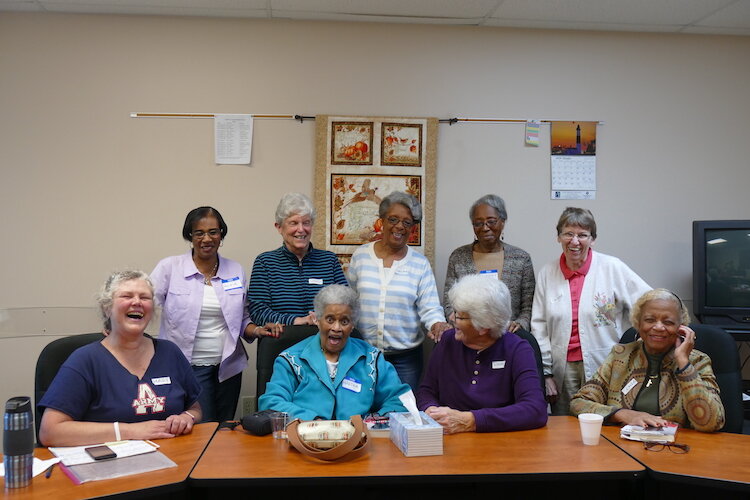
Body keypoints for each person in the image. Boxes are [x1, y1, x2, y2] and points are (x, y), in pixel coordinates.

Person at [38, 270, 202, 446]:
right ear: (107, 307)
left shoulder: (170, 353)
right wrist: (131, 431)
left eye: (144, 297)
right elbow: (50, 432)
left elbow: (195, 408)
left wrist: (187, 417)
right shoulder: (85, 360)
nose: (137, 302)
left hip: (175, 459)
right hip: (109, 465)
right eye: (127, 296)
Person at [150, 207, 271, 422]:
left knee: (224, 430)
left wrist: (258, 330)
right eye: (199, 233)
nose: (207, 238)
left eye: (213, 232)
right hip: (189, 367)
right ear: (190, 236)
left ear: (221, 234)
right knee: (202, 430)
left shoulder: (235, 270)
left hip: (228, 368)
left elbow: (241, 318)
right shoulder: (170, 268)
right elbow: (145, 303)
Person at [531, 207, 651, 415]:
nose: (575, 241)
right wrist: (546, 372)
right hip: (563, 368)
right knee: (566, 427)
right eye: (568, 233)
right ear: (559, 237)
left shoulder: (611, 267)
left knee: (606, 423)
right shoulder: (547, 273)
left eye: (582, 235)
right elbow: (539, 326)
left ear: (592, 239)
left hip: (606, 364)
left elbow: (648, 300)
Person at [570, 289, 725, 431]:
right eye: (650, 320)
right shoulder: (620, 355)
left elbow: (711, 422)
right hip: (622, 450)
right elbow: (579, 403)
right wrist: (623, 414)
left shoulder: (698, 361)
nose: (658, 327)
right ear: (638, 323)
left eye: (668, 322)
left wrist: (684, 364)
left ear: (681, 327)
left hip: (676, 451)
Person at [258, 285, 411, 420]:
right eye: (330, 320)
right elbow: (272, 402)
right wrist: (312, 421)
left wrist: (373, 423)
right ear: (317, 320)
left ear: (352, 325)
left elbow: (399, 399)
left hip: (357, 441)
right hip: (305, 439)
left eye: (344, 321)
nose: (336, 328)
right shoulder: (290, 359)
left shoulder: (372, 359)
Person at [418, 275, 547, 434]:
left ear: (484, 326)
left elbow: (535, 410)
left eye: (459, 316)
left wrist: (471, 421)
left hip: (500, 443)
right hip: (450, 440)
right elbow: (426, 390)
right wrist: (431, 410)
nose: (451, 319)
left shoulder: (518, 349)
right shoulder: (447, 342)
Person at [347, 191, 450, 391]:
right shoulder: (361, 256)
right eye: (393, 219)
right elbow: (349, 301)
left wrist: (437, 324)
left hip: (405, 360)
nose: (399, 227)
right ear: (382, 221)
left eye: (407, 222)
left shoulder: (419, 263)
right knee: (360, 410)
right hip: (361, 354)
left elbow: (429, 306)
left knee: (402, 415)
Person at [248, 192, 348, 330]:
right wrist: (298, 320)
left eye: (306, 223)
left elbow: (346, 304)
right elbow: (257, 312)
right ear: (279, 227)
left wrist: (326, 319)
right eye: (293, 223)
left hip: (325, 344)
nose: (301, 229)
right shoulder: (265, 262)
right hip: (282, 343)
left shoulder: (329, 260)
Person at [443, 194, 535, 332]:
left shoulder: (521, 259)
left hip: (509, 336)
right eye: (478, 223)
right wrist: (457, 320)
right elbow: (449, 301)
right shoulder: (458, 257)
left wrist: (520, 324)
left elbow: (528, 306)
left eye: (491, 221)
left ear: (502, 221)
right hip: (468, 335)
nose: (485, 228)